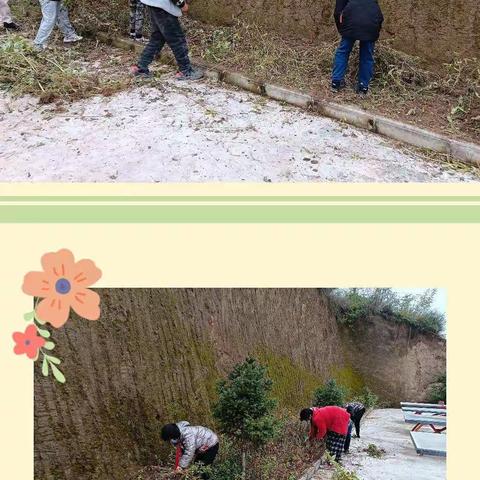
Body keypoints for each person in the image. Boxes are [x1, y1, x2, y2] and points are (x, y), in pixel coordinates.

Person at [130, 0, 203, 80]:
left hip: (154, 4)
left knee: (158, 38)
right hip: (163, 7)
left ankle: (141, 67)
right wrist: (182, 4)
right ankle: (185, 71)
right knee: (177, 40)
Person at [331, 0, 384, 94]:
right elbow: (378, 13)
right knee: (367, 57)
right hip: (371, 22)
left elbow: (337, 12)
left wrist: (342, 29)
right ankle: (363, 87)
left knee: (343, 52)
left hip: (351, 21)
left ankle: (336, 82)